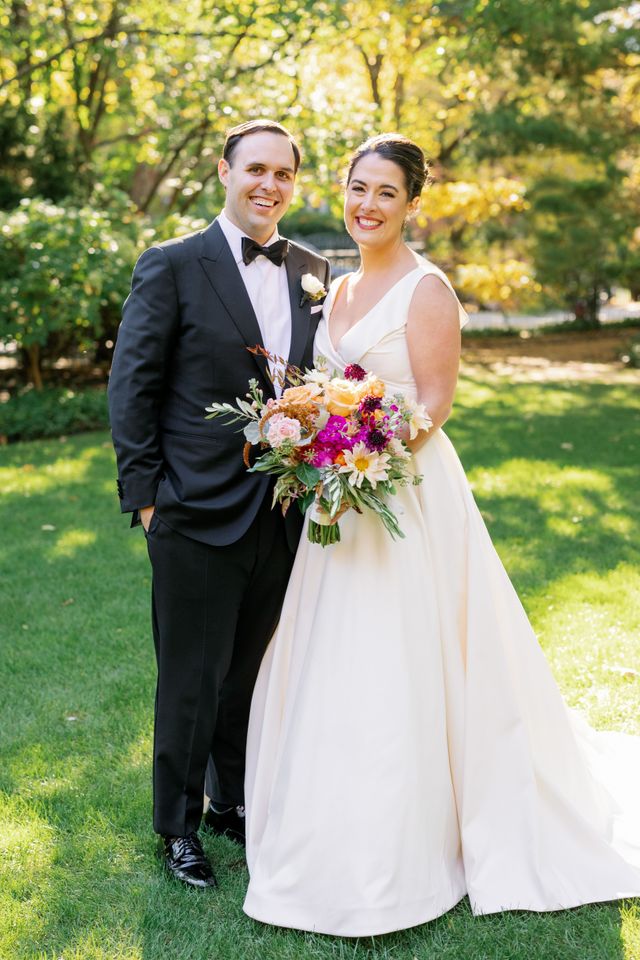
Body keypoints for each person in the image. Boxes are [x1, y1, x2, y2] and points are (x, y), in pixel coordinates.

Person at [242, 133, 640, 935]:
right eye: (358, 188)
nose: (367, 205)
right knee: (334, 652)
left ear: (413, 204)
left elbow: (431, 403)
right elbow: (323, 385)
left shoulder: (428, 290)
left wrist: (362, 461)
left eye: (386, 192)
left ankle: (419, 831)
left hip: (403, 495)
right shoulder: (337, 286)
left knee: (406, 652)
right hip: (337, 496)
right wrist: (314, 439)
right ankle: (327, 817)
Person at [107, 119, 330, 888]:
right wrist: (146, 501)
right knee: (191, 677)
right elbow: (132, 386)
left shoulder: (312, 267)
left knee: (250, 674)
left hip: (283, 509)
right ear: (225, 173)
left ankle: (231, 801)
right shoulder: (171, 264)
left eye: (284, 174)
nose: (269, 185)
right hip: (192, 511)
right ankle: (176, 828)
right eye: (256, 170)